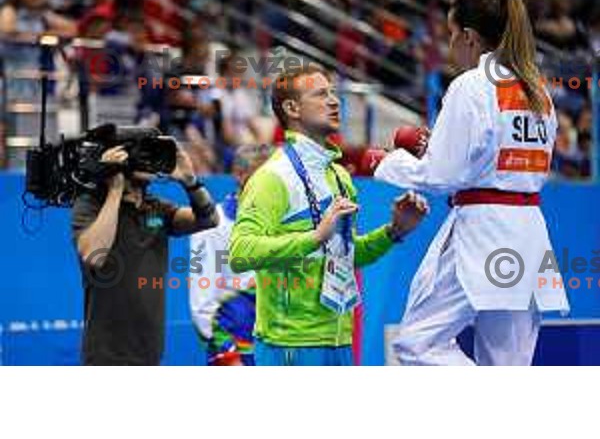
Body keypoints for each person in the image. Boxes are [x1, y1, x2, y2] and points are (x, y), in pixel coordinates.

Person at [375, 0, 570, 366]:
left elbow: (441, 174)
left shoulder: (471, 85)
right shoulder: (537, 89)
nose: (449, 45)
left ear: (468, 37)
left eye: (450, 35)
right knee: (509, 363)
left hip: (484, 229)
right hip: (528, 230)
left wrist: (386, 163)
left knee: (416, 343)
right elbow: (499, 160)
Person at [229, 61, 428, 366]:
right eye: (321, 95)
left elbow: (346, 256)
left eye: (333, 93)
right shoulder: (272, 177)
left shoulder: (339, 176)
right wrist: (314, 236)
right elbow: (241, 252)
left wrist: (394, 232)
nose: (334, 101)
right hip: (289, 346)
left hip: (339, 341)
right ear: (292, 108)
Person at [71, 135, 219, 365]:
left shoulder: (157, 208)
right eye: (141, 153)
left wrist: (190, 181)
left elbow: (209, 219)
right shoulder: (90, 205)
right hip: (106, 354)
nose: (149, 160)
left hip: (150, 351)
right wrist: (115, 188)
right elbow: (93, 255)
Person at [189, 145, 272, 365]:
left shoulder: (280, 222)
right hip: (236, 352)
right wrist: (229, 358)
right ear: (239, 175)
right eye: (264, 175)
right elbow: (202, 304)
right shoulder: (211, 224)